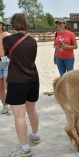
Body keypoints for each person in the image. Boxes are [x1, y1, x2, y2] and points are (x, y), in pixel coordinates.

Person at [3, 13, 40, 157]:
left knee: (19, 116)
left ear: (12, 24)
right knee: (32, 110)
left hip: (17, 80)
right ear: (26, 23)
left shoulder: (7, 39)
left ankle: (24, 149)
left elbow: (7, 55)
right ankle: (35, 135)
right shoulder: (33, 41)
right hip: (33, 79)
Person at [0, 17, 12, 115]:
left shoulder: (7, 35)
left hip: (6, 60)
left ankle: (12, 105)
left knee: (6, 84)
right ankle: (4, 105)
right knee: (1, 86)